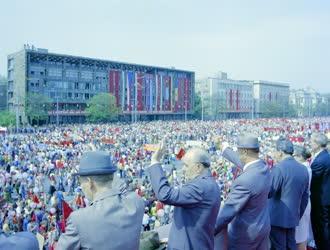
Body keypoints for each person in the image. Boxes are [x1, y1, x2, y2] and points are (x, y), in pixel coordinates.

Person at [56, 151, 145, 250]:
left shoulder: (79, 220)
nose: (81, 186)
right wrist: (103, 166)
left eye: (80, 182)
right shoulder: (136, 202)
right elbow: (123, 188)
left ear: (90, 183)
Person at [147, 142, 220, 250]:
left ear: (198, 167)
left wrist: (155, 162)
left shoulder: (200, 186)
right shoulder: (209, 183)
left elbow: (164, 195)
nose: (183, 169)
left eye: (186, 165)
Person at [215, 134, 271, 250]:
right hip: (262, 228)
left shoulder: (244, 180)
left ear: (245, 152)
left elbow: (227, 213)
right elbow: (245, 164)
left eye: (238, 151)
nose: (238, 155)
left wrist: (206, 232)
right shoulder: (263, 167)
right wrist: (224, 148)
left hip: (245, 236)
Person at [268, 138, 309, 250]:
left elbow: (269, 192)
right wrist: (297, 215)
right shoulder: (303, 169)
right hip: (293, 218)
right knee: (291, 246)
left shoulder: (279, 168)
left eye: (275, 152)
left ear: (280, 152)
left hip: (276, 219)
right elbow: (305, 198)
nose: (274, 155)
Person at [310, 133, 330, 250]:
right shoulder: (326, 156)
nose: (310, 143)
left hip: (321, 201)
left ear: (317, 144)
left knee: (322, 229)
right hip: (326, 198)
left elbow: (311, 182)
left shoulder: (319, 161)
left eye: (312, 141)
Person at [293, 146, 312, 250]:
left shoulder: (303, 168)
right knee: (302, 233)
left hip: (302, 202)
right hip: (304, 201)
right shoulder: (306, 167)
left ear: (299, 156)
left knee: (300, 235)